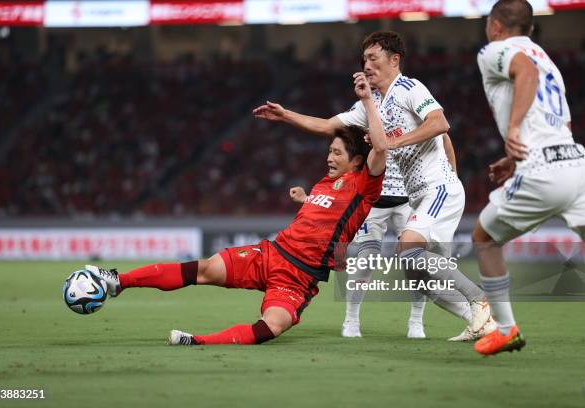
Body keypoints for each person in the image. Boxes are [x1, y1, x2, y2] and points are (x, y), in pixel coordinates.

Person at [84, 73, 389, 345]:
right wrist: (307, 200)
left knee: (274, 325)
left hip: (298, 277)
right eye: (329, 151)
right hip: (270, 254)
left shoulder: (365, 185)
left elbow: (381, 147)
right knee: (204, 269)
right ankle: (118, 281)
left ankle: (198, 341)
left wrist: (366, 100)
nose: (329, 158)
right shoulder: (327, 182)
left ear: (357, 162)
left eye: (336, 153)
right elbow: (327, 217)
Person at [254, 30, 495, 341]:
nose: (366, 64)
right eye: (364, 58)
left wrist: (393, 142)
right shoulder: (371, 106)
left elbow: (440, 124)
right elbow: (328, 125)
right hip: (420, 196)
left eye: (373, 57)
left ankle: (481, 300)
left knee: (408, 249)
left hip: (437, 190)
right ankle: (482, 322)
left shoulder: (409, 88)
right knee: (419, 275)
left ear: (394, 60)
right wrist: (286, 115)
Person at [473, 0, 585, 355]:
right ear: (532, 29)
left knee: (485, 238)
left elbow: (525, 73)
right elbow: (554, 122)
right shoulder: (547, 60)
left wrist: (514, 131)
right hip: (576, 163)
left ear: (494, 26)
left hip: (542, 171)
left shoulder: (496, 50)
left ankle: (506, 329)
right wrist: (512, 157)